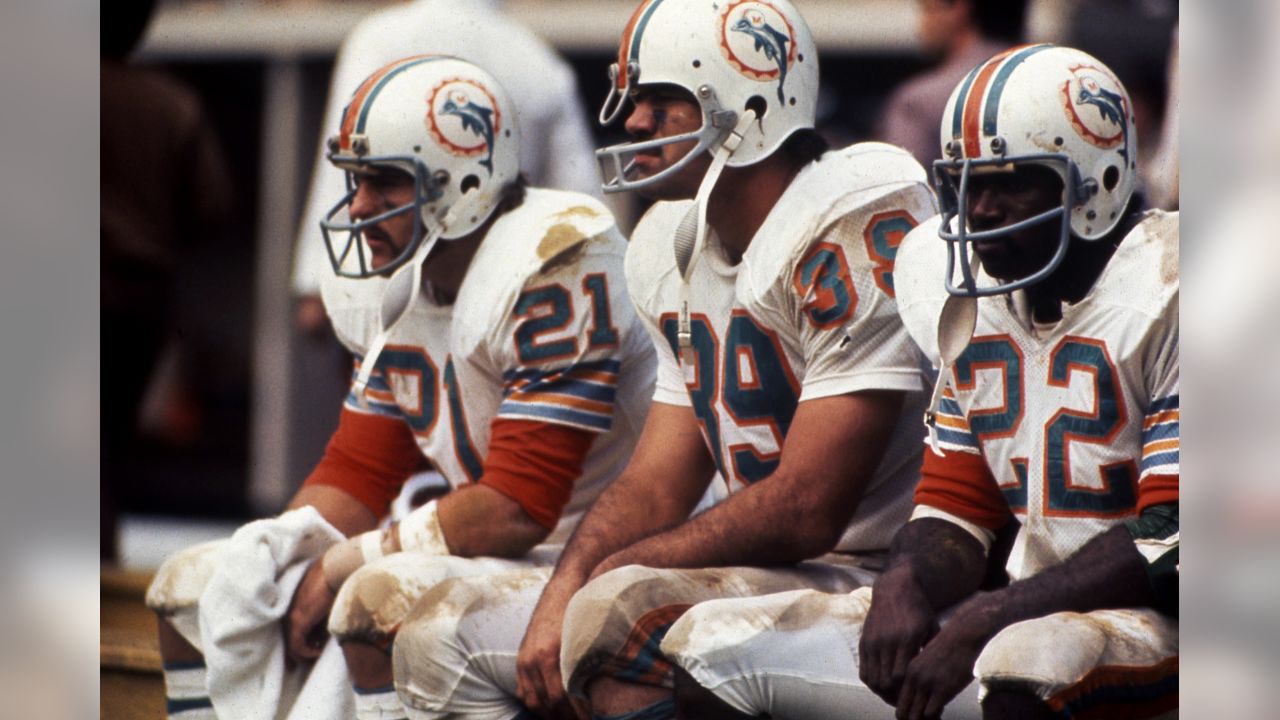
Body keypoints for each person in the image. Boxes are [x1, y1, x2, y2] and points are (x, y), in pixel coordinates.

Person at [387, 1, 937, 718]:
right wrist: (568, 583)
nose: (633, 122)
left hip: (882, 577)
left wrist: (613, 573)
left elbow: (807, 508)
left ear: (753, 103)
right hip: (780, 574)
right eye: (633, 99)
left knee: (620, 617)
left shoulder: (851, 214)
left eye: (664, 99)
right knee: (428, 630)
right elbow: (654, 483)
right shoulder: (671, 243)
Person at [659, 44, 1179, 720]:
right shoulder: (974, 295)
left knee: (1027, 664)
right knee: (714, 649)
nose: (980, 210)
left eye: (1010, 182)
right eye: (966, 184)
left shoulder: (1172, 284)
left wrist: (989, 614)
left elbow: (1169, 537)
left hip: (1178, 625)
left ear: (1096, 180)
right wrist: (905, 583)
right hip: (1029, 618)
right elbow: (954, 512)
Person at [145, 56, 655, 720]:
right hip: (493, 550)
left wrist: (336, 569)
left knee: (372, 598)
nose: (357, 206)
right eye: (354, 181)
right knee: (194, 588)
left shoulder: (552, 259)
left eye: (384, 181)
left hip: (590, 555)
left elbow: (516, 507)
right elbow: (356, 475)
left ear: (465, 179)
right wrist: (284, 560)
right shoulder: (406, 272)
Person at [291, 0, 602, 326]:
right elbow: (580, 204)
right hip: (503, 285)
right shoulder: (538, 56)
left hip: (391, 273)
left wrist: (315, 280)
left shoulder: (380, 35)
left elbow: (351, 164)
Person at [876, 0, 1027, 167]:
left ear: (959, 9)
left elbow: (904, 189)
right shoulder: (1034, 77)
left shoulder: (917, 102)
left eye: (926, 8)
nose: (921, 24)